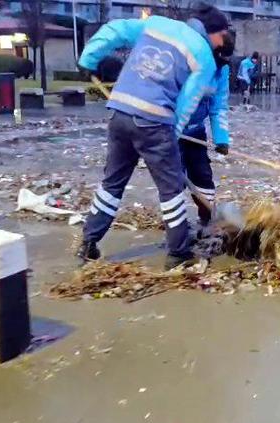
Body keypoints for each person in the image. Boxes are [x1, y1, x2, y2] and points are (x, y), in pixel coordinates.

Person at [75, 3, 234, 268]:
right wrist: (172, 137)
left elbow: (114, 29)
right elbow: (186, 104)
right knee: (171, 189)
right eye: (222, 36)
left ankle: (88, 242)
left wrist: (88, 59)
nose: (222, 43)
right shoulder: (204, 57)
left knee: (112, 183)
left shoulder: (157, 24)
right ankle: (178, 253)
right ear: (210, 32)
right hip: (154, 121)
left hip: (119, 111)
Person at [179, 46, 232, 228]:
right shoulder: (186, 59)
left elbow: (219, 105)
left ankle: (207, 221)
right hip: (170, 131)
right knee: (174, 182)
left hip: (196, 131)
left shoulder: (222, 69)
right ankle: (176, 236)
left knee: (203, 177)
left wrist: (221, 139)